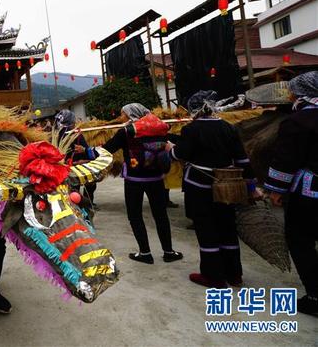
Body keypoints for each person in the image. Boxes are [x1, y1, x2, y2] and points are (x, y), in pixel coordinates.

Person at [167, 91, 260, 288]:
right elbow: (242, 159)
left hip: (200, 187)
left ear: (195, 109)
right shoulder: (228, 127)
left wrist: (170, 149)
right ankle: (234, 274)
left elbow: (180, 154)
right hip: (228, 187)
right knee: (227, 228)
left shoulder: (192, 129)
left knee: (207, 230)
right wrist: (251, 185)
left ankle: (213, 276)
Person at [264, 71, 317, 316]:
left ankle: (315, 295)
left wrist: (275, 190)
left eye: (292, 90)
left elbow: (285, 160)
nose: (290, 94)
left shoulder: (298, 121)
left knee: (301, 240)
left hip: (309, 194)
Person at [103, 103, 183, 264]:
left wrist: (86, 152)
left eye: (123, 114)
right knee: (161, 215)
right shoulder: (160, 129)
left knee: (135, 216)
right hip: (157, 180)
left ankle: (145, 253)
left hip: (134, 181)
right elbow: (177, 142)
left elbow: (107, 149)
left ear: (131, 114)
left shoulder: (126, 132)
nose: (121, 117)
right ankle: (169, 252)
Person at [54, 109, 99, 207]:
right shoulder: (73, 134)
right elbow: (85, 149)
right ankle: (87, 205)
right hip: (78, 165)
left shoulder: (56, 135)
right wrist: (90, 153)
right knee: (88, 185)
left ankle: (76, 206)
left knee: (73, 189)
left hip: (65, 167)